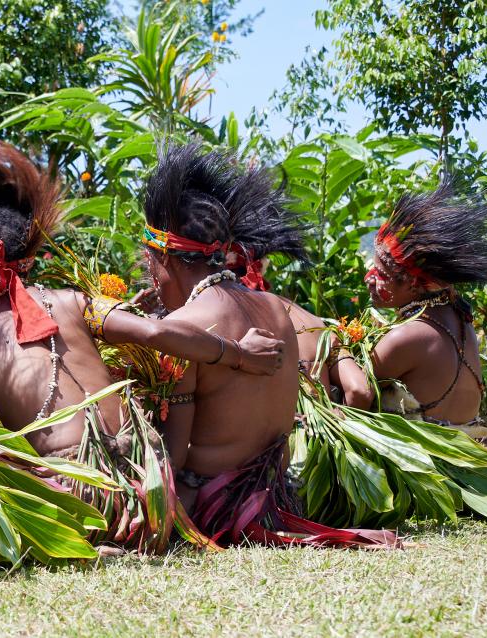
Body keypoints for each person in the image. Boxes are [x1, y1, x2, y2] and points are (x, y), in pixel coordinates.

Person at [0, 140, 285, 551]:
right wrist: (237, 353)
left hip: (76, 499)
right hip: (143, 489)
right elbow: (153, 333)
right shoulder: (74, 302)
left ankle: (82, 538)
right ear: (29, 254)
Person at [145, 143, 397, 547]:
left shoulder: (182, 328)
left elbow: (174, 459)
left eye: (149, 265)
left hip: (213, 510)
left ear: (162, 257)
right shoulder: (278, 311)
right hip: (277, 501)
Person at [350, 182, 487, 439]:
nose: (369, 278)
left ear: (413, 284)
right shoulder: (460, 321)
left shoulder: (409, 337)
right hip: (457, 468)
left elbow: (354, 394)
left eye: (381, 273)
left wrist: (337, 351)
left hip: (412, 468)